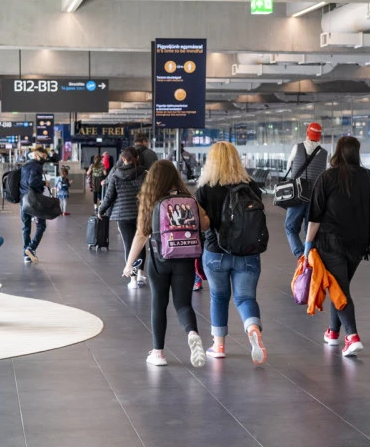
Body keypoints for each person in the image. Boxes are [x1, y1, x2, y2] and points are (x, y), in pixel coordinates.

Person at [303, 136, 370, 357]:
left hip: (331, 242)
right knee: (340, 285)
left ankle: (352, 337)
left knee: (339, 288)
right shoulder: (367, 177)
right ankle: (333, 332)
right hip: (359, 243)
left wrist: (307, 245)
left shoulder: (327, 177)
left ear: (338, 151)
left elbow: (314, 217)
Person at [124, 159, 209, 368]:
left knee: (159, 304)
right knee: (183, 304)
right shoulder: (189, 199)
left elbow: (141, 234)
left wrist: (129, 264)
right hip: (185, 258)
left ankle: (158, 353)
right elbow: (205, 225)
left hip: (160, 259)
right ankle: (192, 332)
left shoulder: (152, 201)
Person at [195, 141, 267, 364]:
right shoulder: (251, 186)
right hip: (248, 252)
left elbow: (202, 225)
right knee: (245, 297)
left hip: (216, 252)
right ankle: (252, 328)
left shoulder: (205, 188)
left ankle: (219, 345)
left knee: (218, 297)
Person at [98, 147, 147, 288]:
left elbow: (109, 197)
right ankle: (140, 275)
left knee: (129, 245)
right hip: (141, 213)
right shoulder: (144, 174)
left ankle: (133, 280)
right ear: (137, 158)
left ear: (123, 159)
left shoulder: (116, 175)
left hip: (123, 214)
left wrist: (101, 210)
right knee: (141, 243)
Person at [284, 122, 329, 258]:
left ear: (307, 133)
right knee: (309, 230)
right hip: (315, 196)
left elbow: (288, 167)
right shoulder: (325, 153)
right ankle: (309, 257)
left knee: (290, 228)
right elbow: (326, 174)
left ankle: (300, 255)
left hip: (297, 195)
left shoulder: (297, 148)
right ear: (319, 136)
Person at [20, 146, 50, 263]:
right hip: (34, 200)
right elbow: (33, 182)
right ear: (37, 156)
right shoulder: (37, 167)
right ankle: (31, 247)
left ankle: (26, 255)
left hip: (23, 199)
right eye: (43, 156)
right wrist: (44, 183)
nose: (45, 158)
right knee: (41, 225)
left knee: (26, 227)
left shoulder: (25, 166)